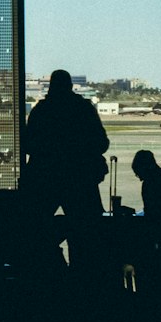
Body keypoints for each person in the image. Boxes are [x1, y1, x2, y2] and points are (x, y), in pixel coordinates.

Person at [21, 70, 110, 256]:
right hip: (80, 179)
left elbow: (28, 145)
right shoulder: (84, 109)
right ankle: (83, 278)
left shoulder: (41, 111)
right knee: (86, 236)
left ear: (51, 87)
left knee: (35, 232)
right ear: (70, 86)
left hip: (44, 178)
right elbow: (102, 143)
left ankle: (46, 274)